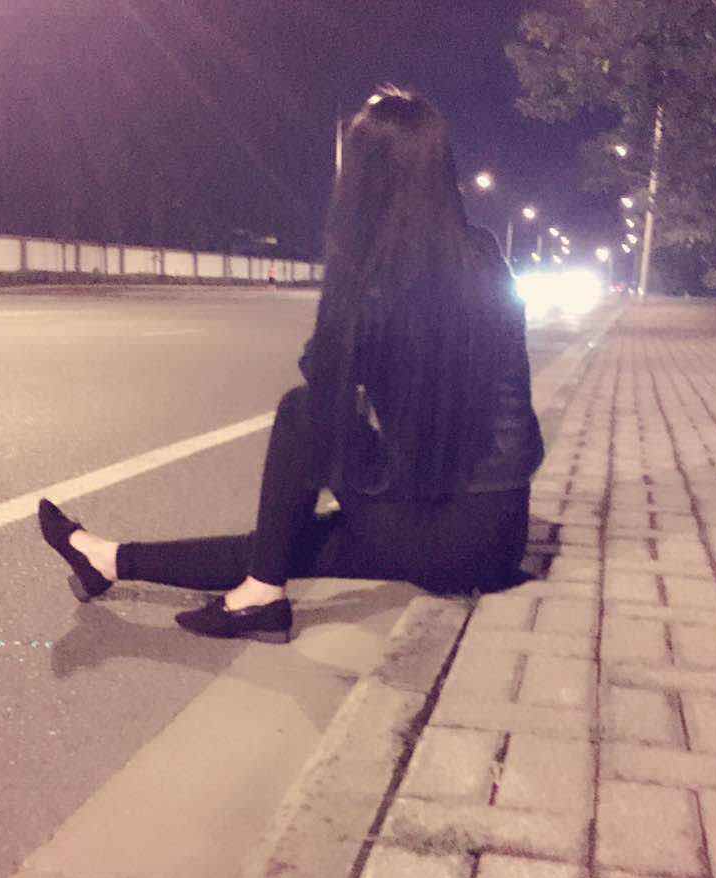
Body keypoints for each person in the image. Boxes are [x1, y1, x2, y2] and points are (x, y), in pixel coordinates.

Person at [39, 87, 544, 644]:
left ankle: (259, 594)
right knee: (285, 545)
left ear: (367, 179)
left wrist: (349, 272)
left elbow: (322, 383)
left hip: (438, 532)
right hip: (498, 535)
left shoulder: (377, 276)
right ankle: (108, 560)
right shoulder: (484, 252)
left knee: (302, 414)